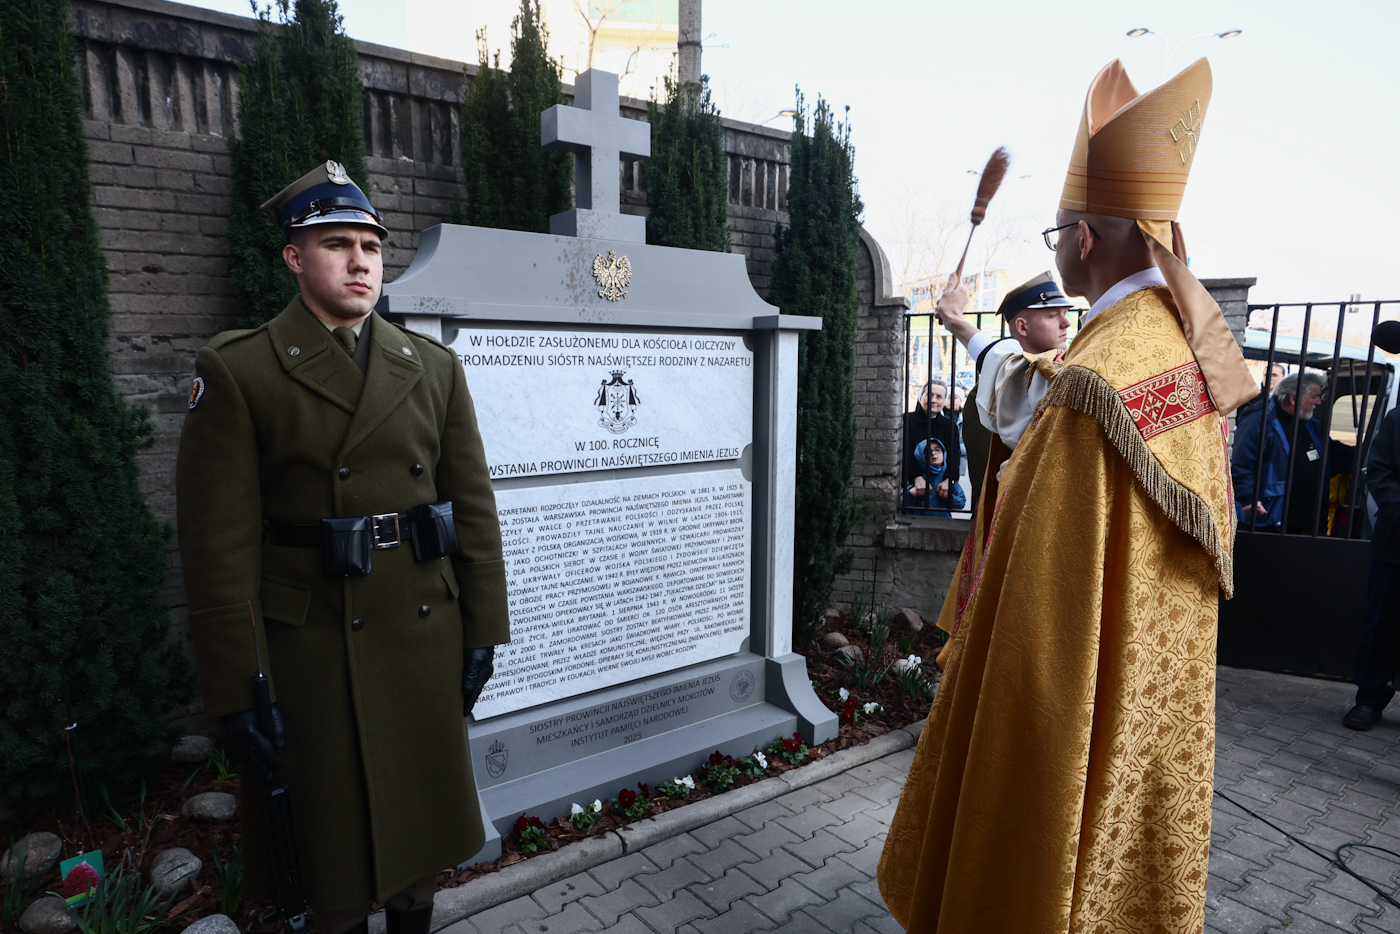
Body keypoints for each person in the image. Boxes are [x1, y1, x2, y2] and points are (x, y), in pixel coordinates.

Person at [878, 57, 1257, 933]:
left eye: (1056, 237)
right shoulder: (1181, 349)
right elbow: (1036, 385)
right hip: (1155, 684)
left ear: (1083, 239)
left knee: (1045, 848)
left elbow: (1039, 610)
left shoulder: (1098, 380)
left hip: (1079, 681)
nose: (1055, 253)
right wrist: (969, 332)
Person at [176, 161, 510, 934]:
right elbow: (219, 550)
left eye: (371, 245)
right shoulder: (240, 369)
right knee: (333, 857)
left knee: (419, 846)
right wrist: (238, 690)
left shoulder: (431, 367)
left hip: (422, 633)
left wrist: (484, 631)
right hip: (315, 649)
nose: (361, 261)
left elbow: (473, 508)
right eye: (337, 244)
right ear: (295, 257)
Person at [925, 271, 1077, 667]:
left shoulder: (1059, 366)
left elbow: (1005, 363)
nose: (1066, 323)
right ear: (1021, 326)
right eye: (1053, 315)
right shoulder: (1029, 371)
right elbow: (1013, 368)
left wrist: (955, 319)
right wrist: (955, 320)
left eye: (1065, 314)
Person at [1342, 322, 1400, 730]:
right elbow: (1377, 471)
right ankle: (1369, 698)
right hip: (1396, 545)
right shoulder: (1397, 421)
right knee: (1382, 626)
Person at [1232, 371, 1354, 534]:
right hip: (1269, 522)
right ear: (1293, 399)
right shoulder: (1260, 422)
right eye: (1315, 397)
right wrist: (1247, 498)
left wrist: (1370, 454)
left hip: (1308, 525)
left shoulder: (1310, 425)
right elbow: (1241, 463)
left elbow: (1334, 453)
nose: (1319, 402)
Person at [903, 380, 962, 511]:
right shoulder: (907, 420)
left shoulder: (949, 426)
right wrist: (916, 477)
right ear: (921, 397)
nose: (933, 400)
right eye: (929, 395)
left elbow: (954, 455)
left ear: (944, 400)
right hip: (912, 486)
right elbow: (904, 451)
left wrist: (949, 480)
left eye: (939, 397)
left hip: (939, 488)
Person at [905, 437, 966, 516]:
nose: (933, 453)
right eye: (928, 451)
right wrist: (912, 494)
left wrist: (950, 498)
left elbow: (961, 503)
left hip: (943, 521)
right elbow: (902, 503)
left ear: (943, 452)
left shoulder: (948, 479)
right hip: (919, 521)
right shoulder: (918, 479)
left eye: (937, 450)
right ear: (921, 456)